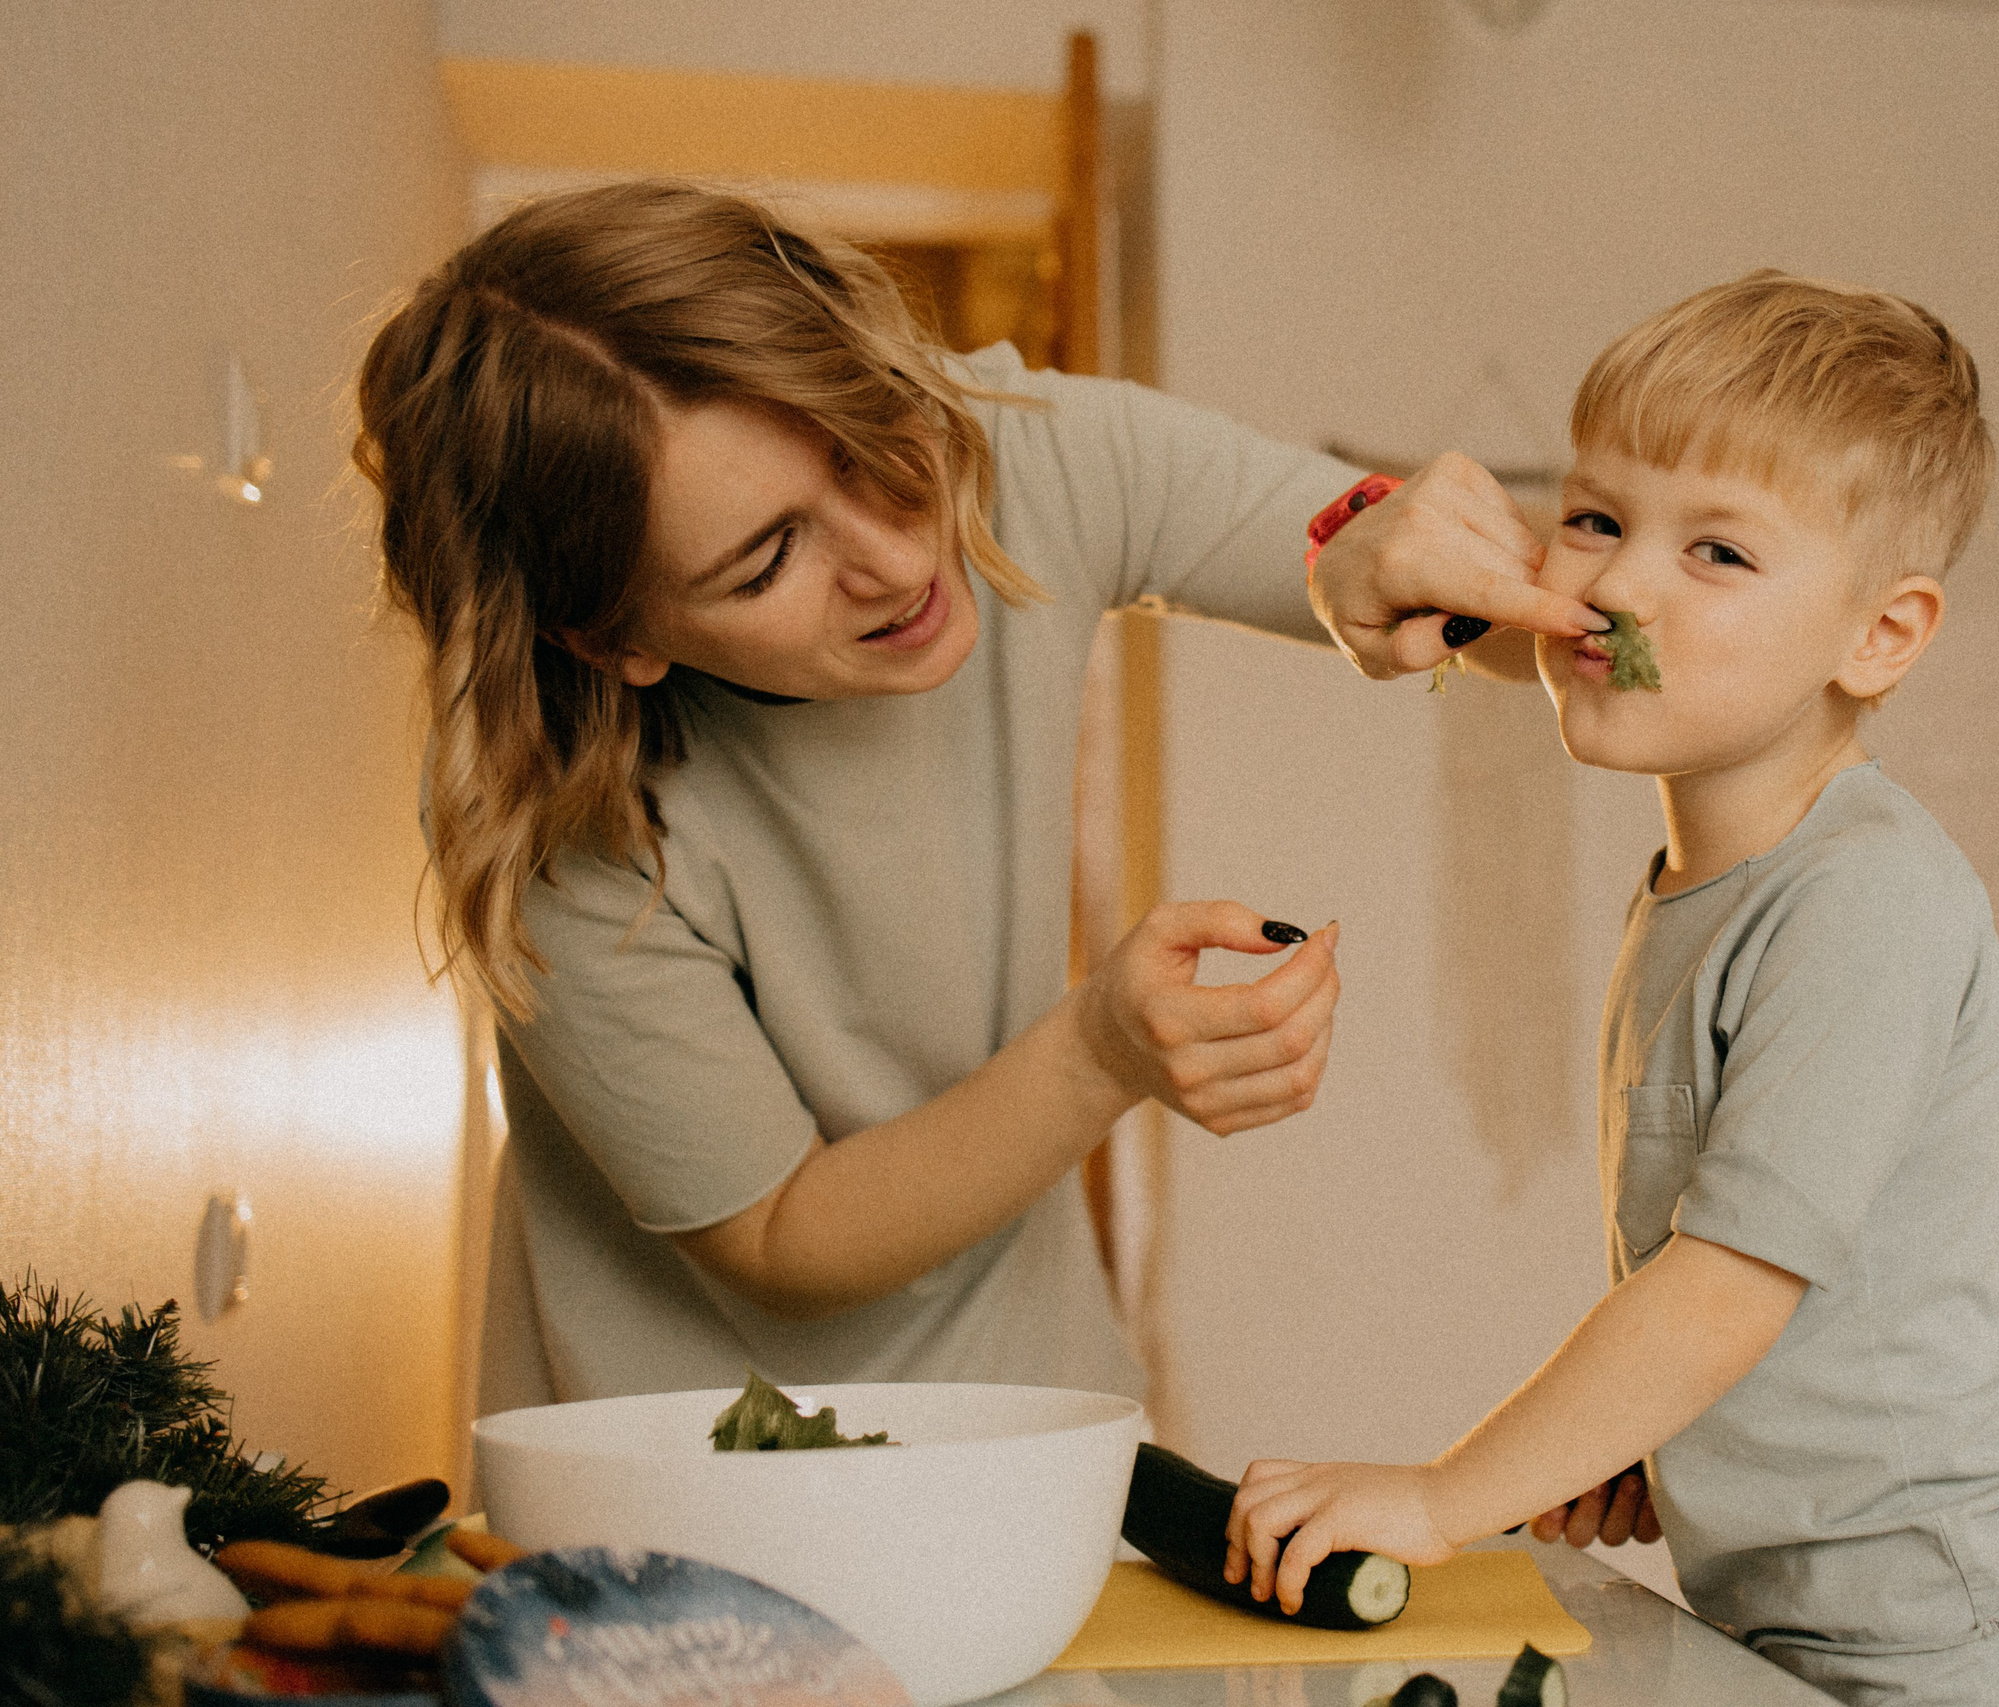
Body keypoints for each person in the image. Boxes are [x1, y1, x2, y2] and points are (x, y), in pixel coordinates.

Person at [352, 180, 1610, 1409]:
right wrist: (1103, 1049)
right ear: (609, 638)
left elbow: (1395, 566)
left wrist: (1419, 559)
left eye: (871, 443)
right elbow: (784, 1238)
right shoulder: (546, 810)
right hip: (676, 1491)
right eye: (769, 558)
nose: (898, 556)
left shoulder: (1021, 449)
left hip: (1040, 1433)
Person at [1222, 273, 1999, 1707]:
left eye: (1716, 550)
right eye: (1595, 519)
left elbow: (1724, 1288)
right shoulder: (1702, 887)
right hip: (1793, 1607)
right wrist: (1660, 1442)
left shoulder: (1863, 897)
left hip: (1953, 1633)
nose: (1618, 584)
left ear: (1879, 636)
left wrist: (1439, 1495)